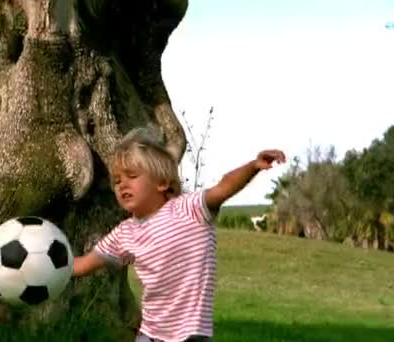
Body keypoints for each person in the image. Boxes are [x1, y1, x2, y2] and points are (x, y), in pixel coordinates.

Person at [73, 127, 286, 342]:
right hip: (151, 334)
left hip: (191, 335)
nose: (122, 185)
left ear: (162, 182)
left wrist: (253, 167)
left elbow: (224, 186)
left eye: (132, 176)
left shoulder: (190, 209)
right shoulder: (125, 233)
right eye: (117, 180)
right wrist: (43, 265)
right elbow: (82, 264)